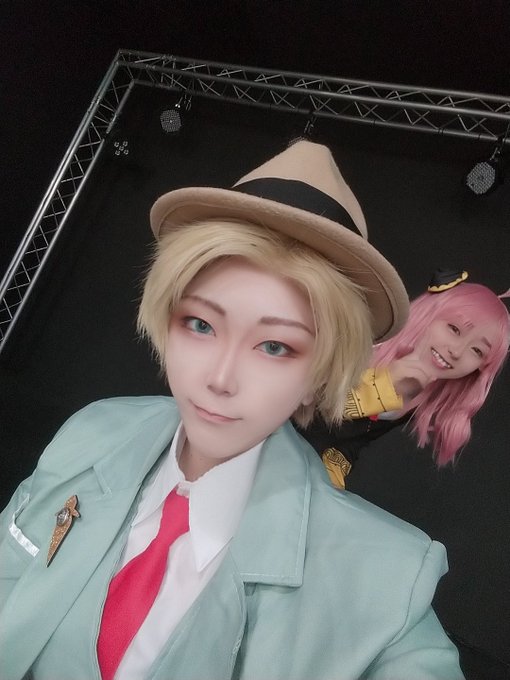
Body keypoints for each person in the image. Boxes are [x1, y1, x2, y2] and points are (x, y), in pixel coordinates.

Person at [0, 141, 464, 679]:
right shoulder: (93, 432)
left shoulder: (386, 577)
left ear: (318, 376)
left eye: (275, 346)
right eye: (200, 324)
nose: (219, 379)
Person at [302, 271, 510, 488]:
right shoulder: (364, 344)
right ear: (430, 314)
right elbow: (304, 406)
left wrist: (331, 474)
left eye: (477, 351)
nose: (456, 351)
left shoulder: (422, 396)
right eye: (454, 329)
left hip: (306, 472)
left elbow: (351, 440)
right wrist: (384, 387)